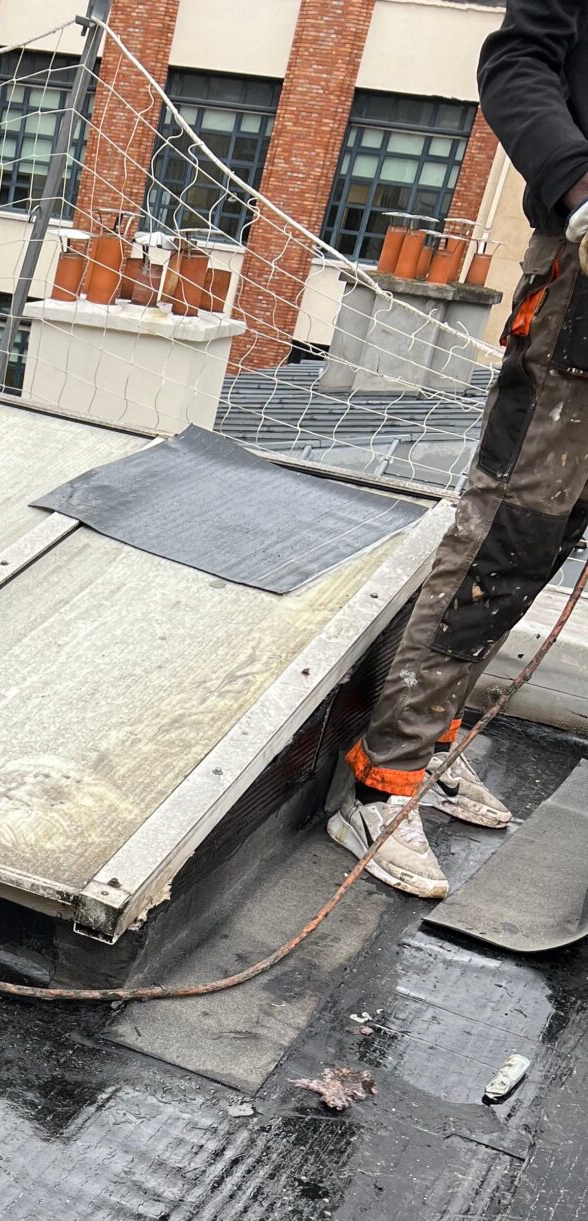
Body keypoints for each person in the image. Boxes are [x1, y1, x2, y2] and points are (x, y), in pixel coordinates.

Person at [329, 0, 588, 900]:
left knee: (552, 538)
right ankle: (382, 781)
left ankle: (432, 736)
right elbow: (518, 64)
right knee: (510, 532)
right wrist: (580, 189)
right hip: (582, 276)